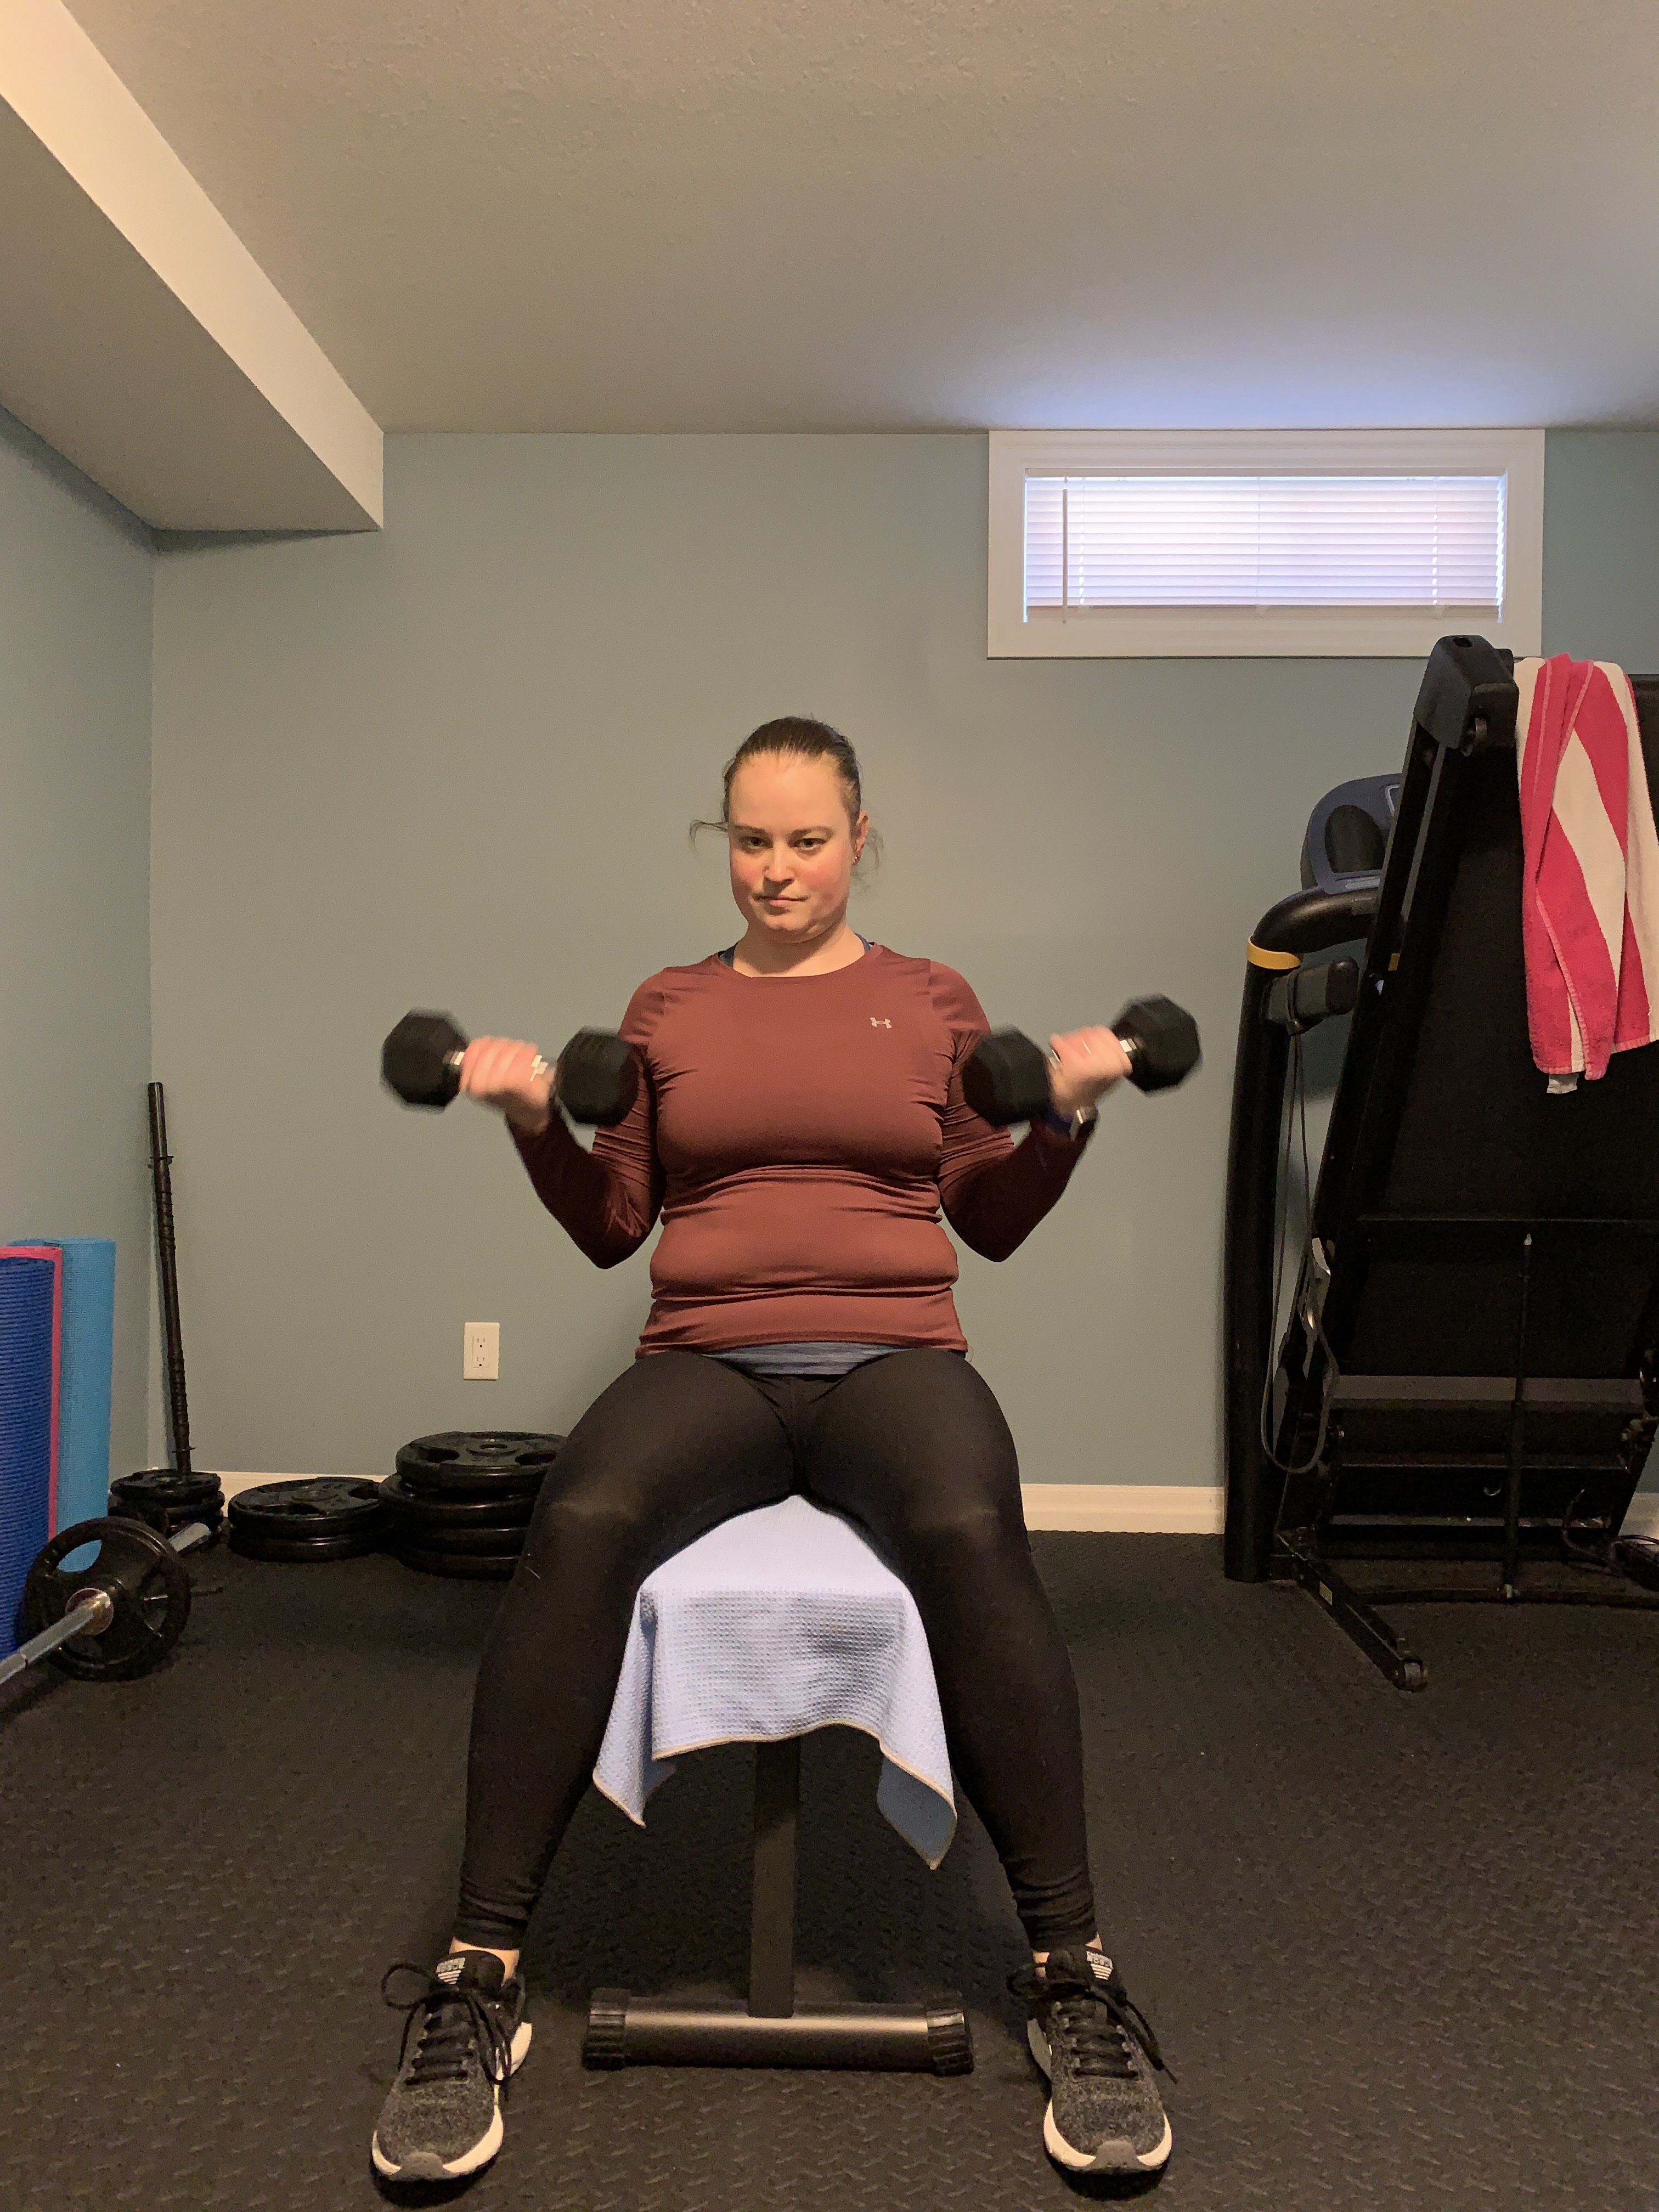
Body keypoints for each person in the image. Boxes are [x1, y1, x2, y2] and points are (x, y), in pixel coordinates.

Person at [371, 717, 1172, 2183]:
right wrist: (534, 1119)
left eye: (808, 840)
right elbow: (616, 1223)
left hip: (892, 1355)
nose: (778, 869)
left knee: (970, 1530)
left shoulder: (930, 1000)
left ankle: (1076, 1973)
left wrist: (1065, 1115)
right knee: (581, 1519)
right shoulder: (668, 1008)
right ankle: (479, 1976)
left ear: (861, 839)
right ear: (720, 840)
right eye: (752, 840)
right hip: (710, 1359)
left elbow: (988, 1219)